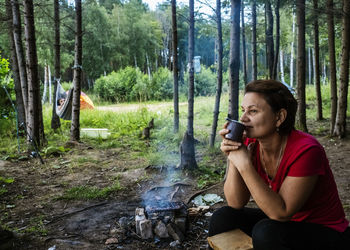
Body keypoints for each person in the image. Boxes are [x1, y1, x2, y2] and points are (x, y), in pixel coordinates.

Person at [209, 80, 350, 250]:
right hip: (287, 224)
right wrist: (234, 155)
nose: (243, 118)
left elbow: (281, 213)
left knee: (266, 232)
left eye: (253, 111)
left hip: (326, 232)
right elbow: (236, 202)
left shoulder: (307, 150)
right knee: (223, 217)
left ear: (279, 117)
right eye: (243, 110)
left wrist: (245, 164)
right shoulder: (252, 143)